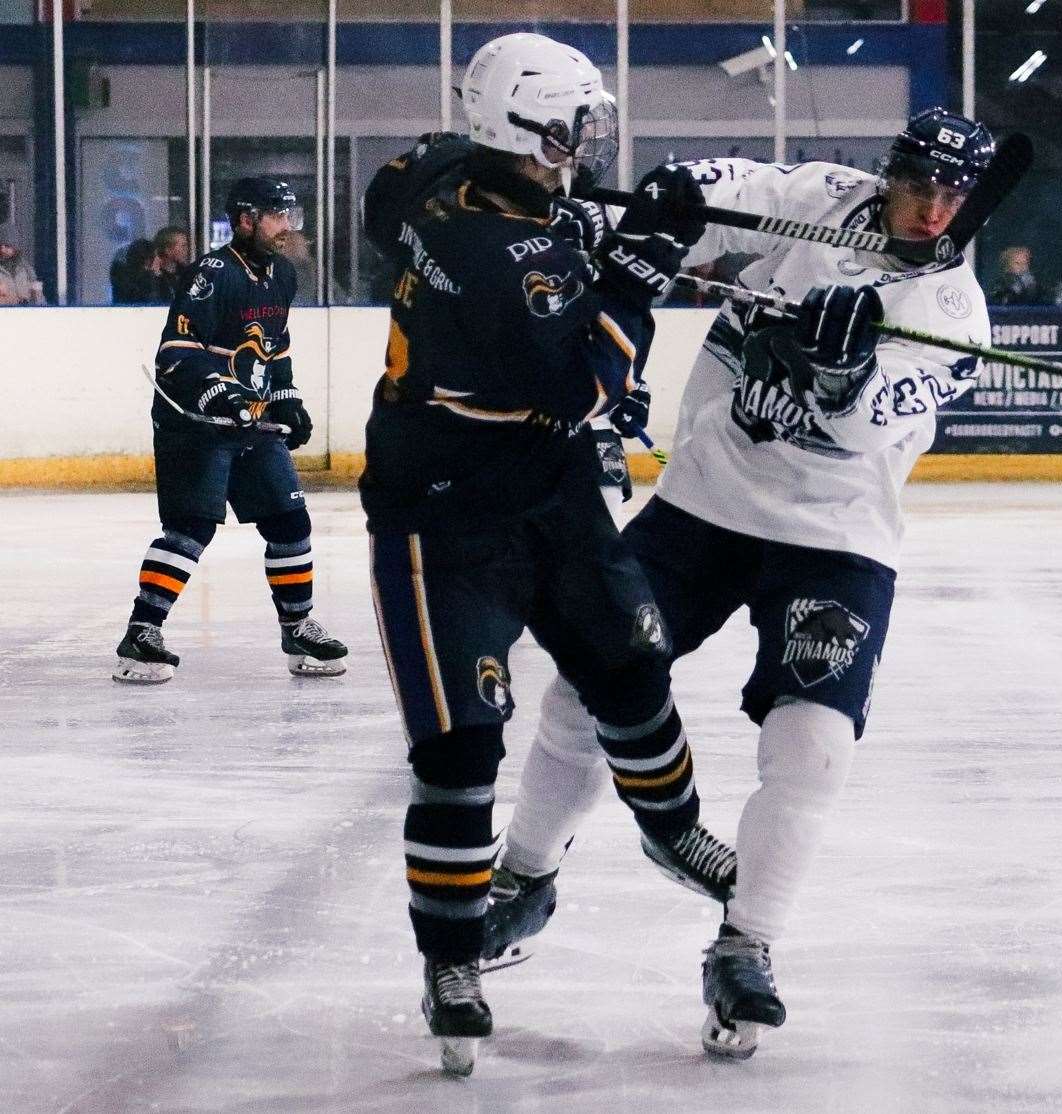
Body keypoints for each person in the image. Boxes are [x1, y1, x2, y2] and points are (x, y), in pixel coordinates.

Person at [485, 106, 996, 1061]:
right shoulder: (817, 200)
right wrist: (663, 206)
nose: (931, 209)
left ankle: (747, 943)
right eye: (918, 184)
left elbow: (854, 430)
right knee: (587, 677)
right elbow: (712, 199)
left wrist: (845, 364)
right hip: (702, 507)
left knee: (812, 745)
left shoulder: (951, 317)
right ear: (889, 174)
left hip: (834, 538)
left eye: (951, 194)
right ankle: (525, 876)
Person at [357, 32, 736, 1075]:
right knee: (459, 749)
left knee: (630, 664)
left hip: (549, 492)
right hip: (445, 518)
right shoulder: (501, 254)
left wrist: (567, 226)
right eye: (575, 125)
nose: (590, 139)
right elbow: (581, 387)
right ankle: (451, 959)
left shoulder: (435, 176)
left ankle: (672, 827)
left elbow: (393, 194)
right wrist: (635, 273)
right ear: (527, 128)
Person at [111, 177, 348, 685]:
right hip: (193, 423)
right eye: (277, 215)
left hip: (252, 422)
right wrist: (222, 393)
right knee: (190, 530)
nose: (288, 226)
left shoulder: (281, 274)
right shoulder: (212, 274)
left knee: (290, 524)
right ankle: (141, 631)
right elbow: (176, 352)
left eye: (291, 215)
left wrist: (287, 398)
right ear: (245, 220)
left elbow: (273, 347)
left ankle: (298, 627)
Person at [0, 226, 45, 306]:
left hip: (26, 315)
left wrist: (37, 297)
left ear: (15, 247)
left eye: (7, 246)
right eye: (0, 246)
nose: (2, 250)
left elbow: (40, 301)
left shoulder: (26, 269)